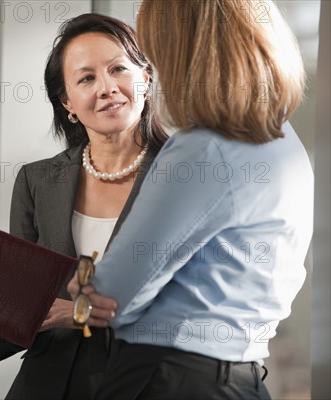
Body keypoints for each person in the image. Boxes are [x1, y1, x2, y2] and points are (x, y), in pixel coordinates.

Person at [0, 13, 168, 399]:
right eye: (86, 78)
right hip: (50, 384)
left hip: (152, 383)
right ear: (67, 101)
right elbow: (27, 304)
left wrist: (77, 311)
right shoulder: (37, 181)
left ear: (144, 77)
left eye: (118, 69)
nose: (108, 87)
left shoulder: (183, 175)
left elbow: (192, 298)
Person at [67, 1, 313, 399]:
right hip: (242, 378)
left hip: (168, 377)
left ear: (180, 51)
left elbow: (111, 296)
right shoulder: (285, 144)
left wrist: (85, 290)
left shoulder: (203, 150)